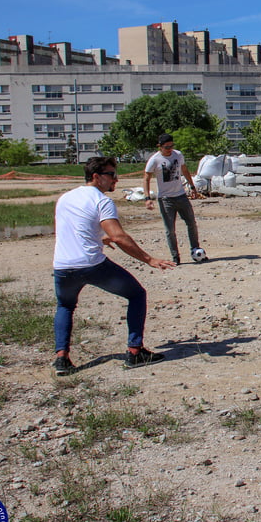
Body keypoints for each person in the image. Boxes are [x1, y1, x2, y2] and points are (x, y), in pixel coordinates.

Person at [52, 157, 175, 375]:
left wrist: (100, 238)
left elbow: (76, 229)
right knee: (137, 294)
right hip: (91, 265)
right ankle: (135, 351)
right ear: (96, 176)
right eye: (111, 175)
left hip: (62, 266)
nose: (115, 180)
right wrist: (149, 259)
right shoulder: (102, 201)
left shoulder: (65, 197)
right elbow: (119, 236)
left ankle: (62, 359)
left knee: (65, 306)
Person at [144, 134, 206, 265]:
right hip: (166, 199)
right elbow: (146, 178)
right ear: (159, 146)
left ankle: (195, 249)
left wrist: (192, 186)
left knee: (191, 223)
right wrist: (147, 198)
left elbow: (184, 170)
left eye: (171, 146)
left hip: (181, 195)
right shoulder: (154, 160)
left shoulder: (178, 155)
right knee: (170, 230)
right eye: (166, 147)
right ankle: (175, 257)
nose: (170, 149)